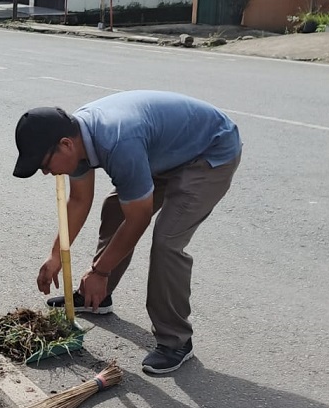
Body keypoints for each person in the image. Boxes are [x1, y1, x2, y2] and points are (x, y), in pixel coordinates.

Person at [12, 90, 242, 374]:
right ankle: (98, 296)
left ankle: (176, 341)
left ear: (65, 145)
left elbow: (139, 219)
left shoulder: (117, 140)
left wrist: (100, 271)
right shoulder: (76, 139)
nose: (46, 173)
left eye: (45, 165)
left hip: (208, 152)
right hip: (163, 151)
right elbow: (80, 201)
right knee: (115, 209)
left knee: (167, 241)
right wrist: (56, 255)